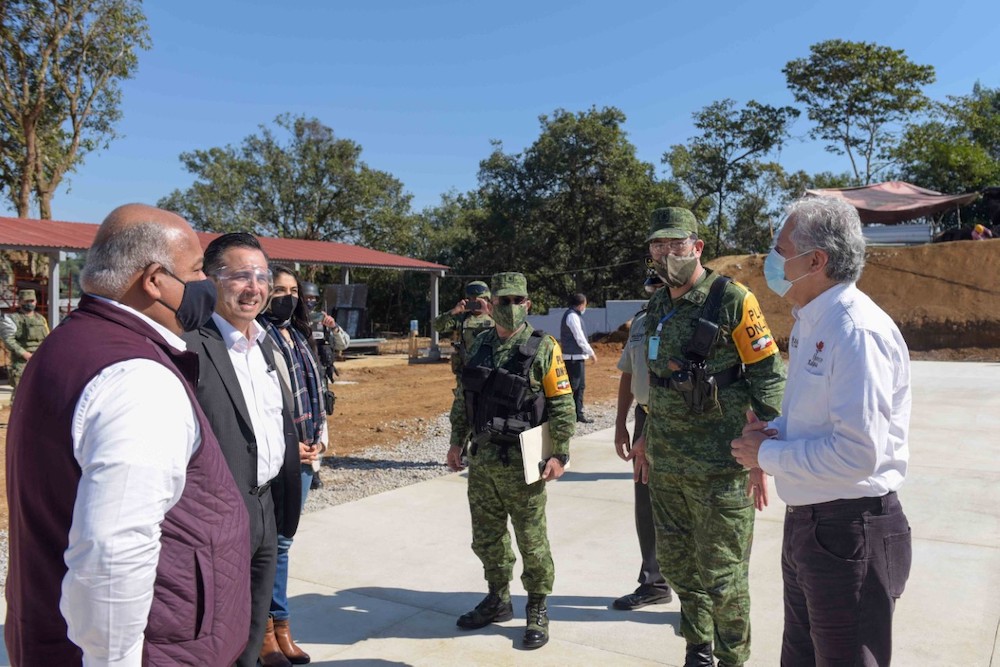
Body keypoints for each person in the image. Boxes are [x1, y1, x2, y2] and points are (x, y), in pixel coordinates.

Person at [5, 203, 251, 665]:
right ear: (154, 280)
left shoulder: (71, 343)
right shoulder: (138, 378)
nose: (206, 283)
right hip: (149, 651)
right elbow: (113, 553)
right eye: (196, 270)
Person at [731, 196, 912, 666]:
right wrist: (774, 433)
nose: (771, 258)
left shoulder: (856, 331)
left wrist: (766, 457)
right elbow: (820, 420)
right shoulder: (813, 321)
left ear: (816, 261)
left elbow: (857, 453)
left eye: (780, 248)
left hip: (850, 530)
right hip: (813, 526)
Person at [633, 207, 785, 667]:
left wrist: (763, 455)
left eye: (675, 244)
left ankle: (733, 658)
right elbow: (657, 383)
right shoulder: (657, 305)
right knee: (679, 568)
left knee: (723, 576)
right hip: (667, 465)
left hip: (722, 466)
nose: (665, 253)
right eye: (657, 245)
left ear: (697, 247)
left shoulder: (732, 299)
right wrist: (645, 437)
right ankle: (697, 649)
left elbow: (768, 377)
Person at [183, 232, 302, 667]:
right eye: (240, 276)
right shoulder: (189, 347)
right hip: (215, 515)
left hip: (265, 506)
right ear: (210, 279)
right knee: (214, 633)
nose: (254, 287)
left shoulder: (266, 343)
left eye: (262, 276)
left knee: (253, 628)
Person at [445, 272, 575, 650]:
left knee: (532, 541)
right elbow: (463, 398)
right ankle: (497, 598)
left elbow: (562, 404)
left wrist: (559, 453)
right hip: (483, 459)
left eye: (518, 300)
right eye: (504, 301)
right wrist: (456, 442)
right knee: (487, 537)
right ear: (491, 304)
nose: (511, 307)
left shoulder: (543, 347)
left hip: (525, 461)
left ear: (528, 304)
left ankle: (537, 606)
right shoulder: (479, 344)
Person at [259, 265, 330, 666]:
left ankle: (281, 626)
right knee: (270, 544)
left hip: (306, 454)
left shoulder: (300, 335)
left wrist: (320, 439)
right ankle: (267, 631)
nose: (287, 297)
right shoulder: (257, 337)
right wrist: (289, 448)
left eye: (292, 291)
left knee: (284, 541)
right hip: (280, 456)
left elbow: (314, 391)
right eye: (278, 290)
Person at [611, 271, 673, 611]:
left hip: (681, 421)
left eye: (664, 286)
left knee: (687, 505)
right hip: (645, 417)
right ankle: (654, 582)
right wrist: (621, 423)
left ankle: (698, 596)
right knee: (646, 503)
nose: (658, 292)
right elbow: (628, 372)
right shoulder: (640, 322)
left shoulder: (692, 321)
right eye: (654, 287)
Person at [434, 279, 496, 378]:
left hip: (491, 371)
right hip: (466, 372)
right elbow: (437, 326)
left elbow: (512, 329)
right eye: (472, 300)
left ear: (487, 299)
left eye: (480, 300)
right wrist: (454, 311)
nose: (475, 303)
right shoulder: (461, 318)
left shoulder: (496, 317)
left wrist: (491, 312)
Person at [2, 288, 50, 397]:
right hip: (21, 361)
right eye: (26, 301)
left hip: (39, 360)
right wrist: (24, 353)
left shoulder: (41, 319)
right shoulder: (12, 319)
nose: (29, 304)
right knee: (20, 394)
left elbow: (47, 338)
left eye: (31, 301)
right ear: (20, 302)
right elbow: (8, 340)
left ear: (36, 302)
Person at [559, 292, 597, 423]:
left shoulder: (573, 315)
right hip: (573, 357)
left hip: (577, 356)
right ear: (581, 305)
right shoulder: (572, 316)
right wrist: (591, 352)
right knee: (573, 386)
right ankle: (568, 413)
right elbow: (579, 337)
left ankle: (578, 413)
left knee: (580, 386)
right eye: (585, 305)